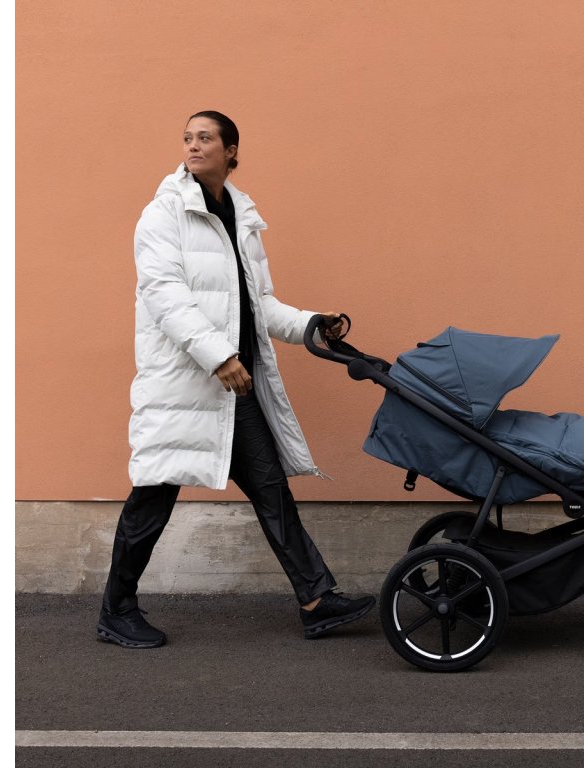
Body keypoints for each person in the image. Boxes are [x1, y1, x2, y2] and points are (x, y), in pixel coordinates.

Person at [97, 110, 375, 648]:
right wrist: (219, 355)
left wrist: (312, 323)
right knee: (152, 500)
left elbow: (259, 302)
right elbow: (164, 295)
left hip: (234, 387)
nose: (192, 145)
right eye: (187, 137)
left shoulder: (241, 216)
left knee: (271, 489)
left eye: (205, 138)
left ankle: (316, 599)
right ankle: (116, 610)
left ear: (231, 151)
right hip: (184, 385)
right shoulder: (163, 214)